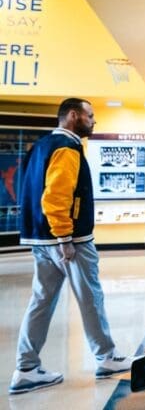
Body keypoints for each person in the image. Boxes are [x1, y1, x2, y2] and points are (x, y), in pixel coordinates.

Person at [9, 98, 132, 395]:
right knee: (91, 297)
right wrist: (64, 238)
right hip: (69, 241)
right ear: (73, 116)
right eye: (90, 116)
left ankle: (25, 368)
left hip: (40, 238)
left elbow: (30, 192)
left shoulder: (40, 146)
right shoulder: (67, 147)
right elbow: (55, 196)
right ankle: (106, 357)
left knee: (41, 301)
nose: (94, 121)